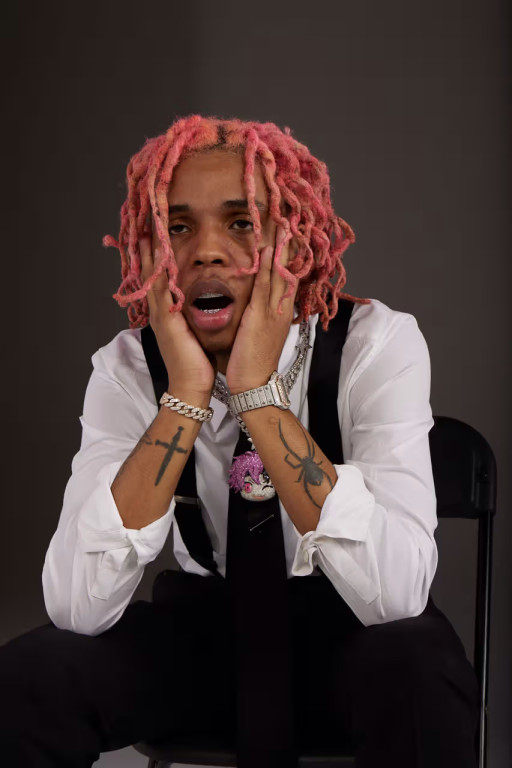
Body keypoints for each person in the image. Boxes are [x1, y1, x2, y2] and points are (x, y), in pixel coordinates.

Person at [0, 115, 478, 767]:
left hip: (348, 637)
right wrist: (184, 396)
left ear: (292, 241)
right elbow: (77, 607)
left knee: (419, 667)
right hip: (202, 641)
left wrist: (257, 394)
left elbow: (396, 596)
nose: (207, 251)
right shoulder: (128, 368)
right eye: (178, 227)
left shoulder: (376, 344)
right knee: (29, 680)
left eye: (241, 222)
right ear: (151, 250)